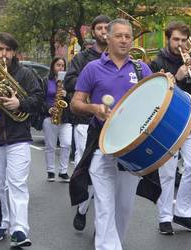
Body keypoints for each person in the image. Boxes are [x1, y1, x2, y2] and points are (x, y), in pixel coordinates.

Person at [70, 18, 153, 249]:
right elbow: (75, 104)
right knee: (105, 207)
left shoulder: (141, 68)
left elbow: (153, 102)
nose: (125, 40)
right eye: (119, 36)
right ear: (108, 37)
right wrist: (93, 108)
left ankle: (115, 244)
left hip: (131, 149)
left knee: (124, 208)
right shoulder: (92, 68)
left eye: (128, 36)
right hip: (101, 146)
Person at [149, 22, 191, 235]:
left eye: (184, 40)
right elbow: (154, 94)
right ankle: (165, 217)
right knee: (167, 174)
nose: (180, 44)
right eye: (176, 39)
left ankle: (184, 213)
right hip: (167, 125)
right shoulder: (157, 62)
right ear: (168, 39)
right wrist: (176, 77)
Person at [0, 33, 43, 247]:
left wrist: (20, 104)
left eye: (8, 50)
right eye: (0, 49)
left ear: (14, 52)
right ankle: (2, 222)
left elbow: (38, 99)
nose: (3, 54)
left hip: (19, 137)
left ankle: (19, 229)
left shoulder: (25, 74)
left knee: (16, 183)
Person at [64, 14, 110, 231]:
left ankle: (102, 225)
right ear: (93, 32)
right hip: (85, 121)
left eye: (106, 28)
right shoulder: (83, 58)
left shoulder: (117, 56)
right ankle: (82, 209)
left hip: (111, 124)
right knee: (90, 169)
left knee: (105, 174)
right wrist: (92, 76)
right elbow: (69, 80)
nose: (103, 31)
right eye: (99, 28)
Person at [41, 57, 72, 182]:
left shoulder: (68, 82)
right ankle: (50, 171)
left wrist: (67, 95)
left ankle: (63, 171)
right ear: (53, 66)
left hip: (65, 118)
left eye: (63, 65)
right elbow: (40, 99)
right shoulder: (45, 81)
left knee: (67, 143)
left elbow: (75, 97)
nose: (61, 68)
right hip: (50, 117)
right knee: (50, 146)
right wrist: (48, 109)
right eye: (58, 65)